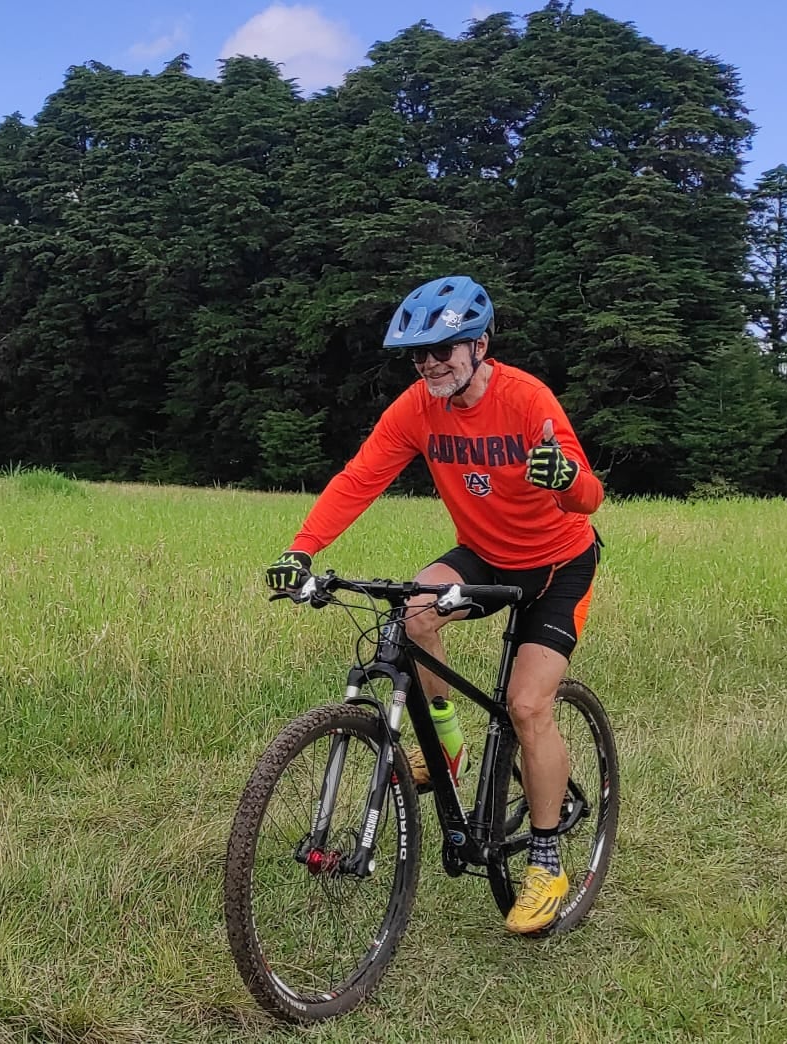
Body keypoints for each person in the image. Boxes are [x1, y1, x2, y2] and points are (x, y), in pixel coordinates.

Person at [265, 274, 603, 934]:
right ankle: (446, 748)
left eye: (442, 350)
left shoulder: (526, 399)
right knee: (412, 611)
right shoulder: (417, 408)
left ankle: (544, 860)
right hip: (485, 553)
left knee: (528, 705)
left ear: (480, 344)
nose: (429, 365)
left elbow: (587, 495)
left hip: (558, 565)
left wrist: (565, 481)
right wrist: (302, 549)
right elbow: (360, 478)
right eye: (419, 355)